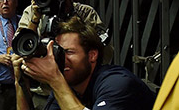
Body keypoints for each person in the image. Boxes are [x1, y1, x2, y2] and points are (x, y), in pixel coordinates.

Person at [13, 17, 155, 110]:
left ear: (92, 55)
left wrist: (55, 79)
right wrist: (20, 82)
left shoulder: (117, 83)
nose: (61, 60)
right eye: (58, 53)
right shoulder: (69, 87)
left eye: (68, 52)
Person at [17, 0, 112, 63]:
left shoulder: (85, 13)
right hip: (41, 66)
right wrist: (35, 19)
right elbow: (20, 49)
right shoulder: (33, 11)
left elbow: (106, 52)